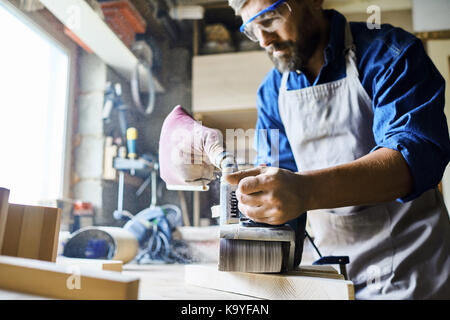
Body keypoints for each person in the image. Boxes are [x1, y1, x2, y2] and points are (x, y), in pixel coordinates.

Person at [159, 0, 450, 299]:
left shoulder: (389, 54)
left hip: (414, 272)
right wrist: (253, 201)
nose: (264, 40)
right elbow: (275, 196)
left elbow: (415, 158)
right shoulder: (273, 93)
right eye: (251, 30)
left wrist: (306, 191)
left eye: (269, 19)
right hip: (332, 277)